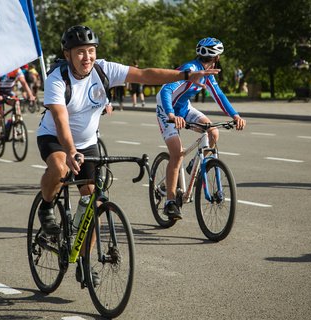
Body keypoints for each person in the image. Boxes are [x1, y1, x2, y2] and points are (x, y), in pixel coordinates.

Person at [36, 25, 219, 284]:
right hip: (55, 138)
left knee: (94, 204)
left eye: (91, 50)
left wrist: (185, 74)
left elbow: (144, 75)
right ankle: (46, 206)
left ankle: (85, 262)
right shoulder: (57, 79)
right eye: (79, 52)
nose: (86, 57)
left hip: (87, 142)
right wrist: (70, 151)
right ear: (67, 54)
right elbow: (60, 119)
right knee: (60, 169)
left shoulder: (103, 69)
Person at [156, 37, 246, 220]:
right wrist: (172, 115)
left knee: (213, 131)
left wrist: (235, 115)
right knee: (176, 153)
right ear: (217, 57)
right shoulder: (189, 69)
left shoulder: (208, 74)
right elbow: (166, 90)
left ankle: (196, 164)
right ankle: (170, 202)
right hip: (167, 110)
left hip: (184, 108)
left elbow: (218, 95)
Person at [0, 68, 35, 147]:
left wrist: (30, 95)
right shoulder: (1, 69)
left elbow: (24, 83)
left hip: (7, 91)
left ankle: (16, 122)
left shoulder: (18, 70)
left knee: (17, 102)